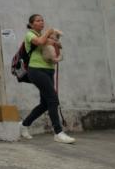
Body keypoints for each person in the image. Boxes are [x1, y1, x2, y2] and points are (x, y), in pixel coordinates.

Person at [19, 14, 76, 144]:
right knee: (53, 99)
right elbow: (39, 43)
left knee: (45, 104)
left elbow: (53, 50)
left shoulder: (46, 36)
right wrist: (49, 32)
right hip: (36, 70)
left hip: (49, 70)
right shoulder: (30, 35)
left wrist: (56, 44)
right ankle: (58, 132)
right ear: (31, 24)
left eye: (42, 20)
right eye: (38, 21)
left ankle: (24, 124)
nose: (41, 22)